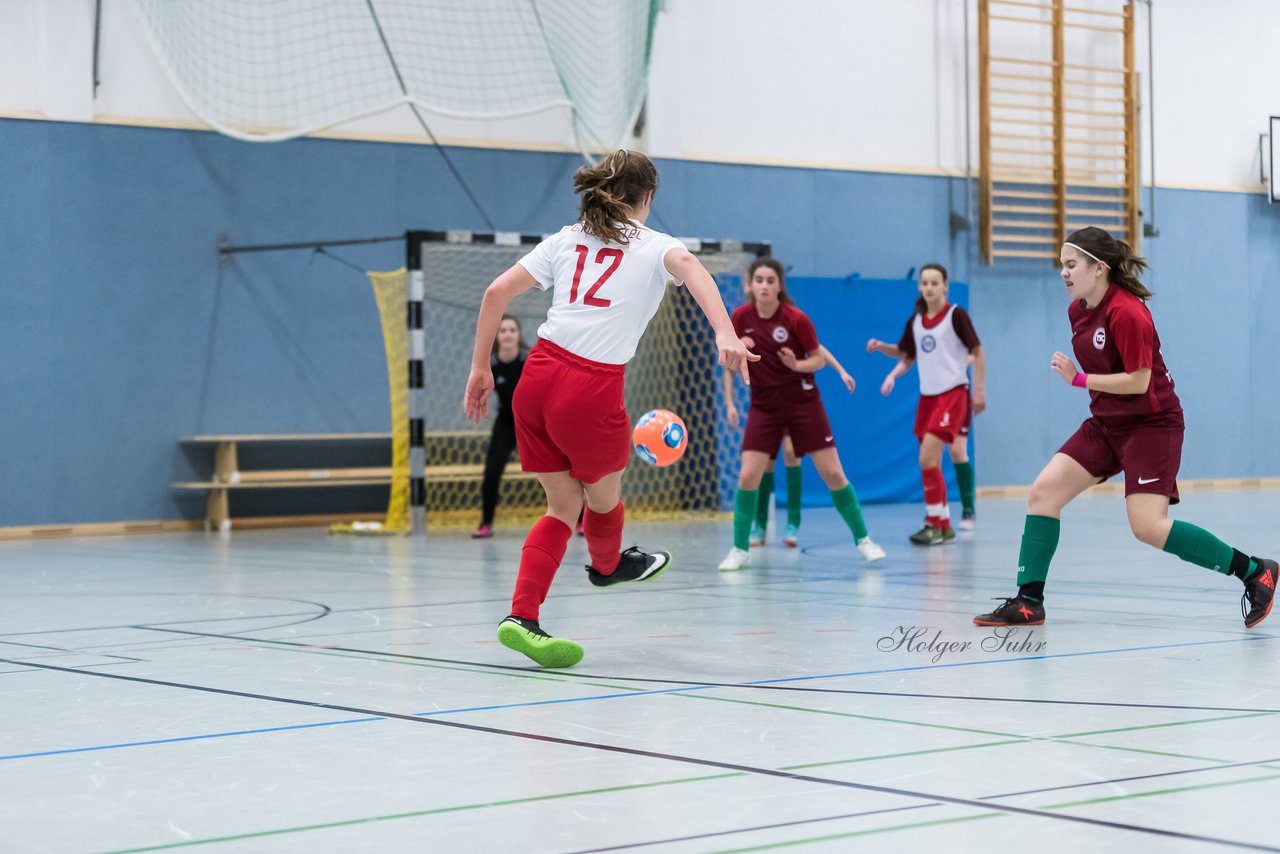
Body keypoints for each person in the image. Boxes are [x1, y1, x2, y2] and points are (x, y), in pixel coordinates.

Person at [464, 149, 755, 667]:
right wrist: (725, 332)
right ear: (647, 198)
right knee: (602, 501)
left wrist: (480, 369)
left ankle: (521, 617)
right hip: (589, 386)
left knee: (560, 506)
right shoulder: (654, 245)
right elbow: (689, 267)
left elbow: (494, 292)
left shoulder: (564, 237)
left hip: (536, 377)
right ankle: (606, 565)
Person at [973, 227, 1276, 628]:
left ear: (1098, 268)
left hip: (1152, 425)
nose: (1063, 273)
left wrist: (1078, 380)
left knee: (1147, 527)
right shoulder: (1078, 309)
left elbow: (1138, 381)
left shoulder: (1127, 312)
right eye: (1061, 265)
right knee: (1044, 493)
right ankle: (1029, 601)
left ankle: (1255, 571)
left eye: (1071, 264)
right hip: (1107, 423)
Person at [719, 258, 885, 572]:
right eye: (759, 280)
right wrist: (738, 349)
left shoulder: (796, 319)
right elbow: (729, 362)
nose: (765, 285)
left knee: (834, 474)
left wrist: (797, 366)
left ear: (779, 285)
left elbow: (818, 360)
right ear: (750, 285)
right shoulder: (740, 318)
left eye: (770, 280)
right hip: (764, 407)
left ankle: (864, 539)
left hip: (803, 405)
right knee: (747, 475)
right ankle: (740, 549)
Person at [868, 263, 985, 545]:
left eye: (935, 283)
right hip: (928, 397)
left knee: (929, 458)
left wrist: (979, 390)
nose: (929, 288)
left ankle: (934, 522)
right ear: (919, 287)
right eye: (925, 283)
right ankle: (943, 523)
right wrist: (884, 351)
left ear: (945, 286)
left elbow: (978, 352)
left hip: (953, 394)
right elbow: (906, 354)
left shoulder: (956, 316)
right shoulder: (916, 321)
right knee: (929, 462)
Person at [733, 349, 856, 549]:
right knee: (764, 464)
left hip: (795, 401)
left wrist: (841, 371)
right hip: (768, 404)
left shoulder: (795, 325)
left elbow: (818, 349)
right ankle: (760, 525)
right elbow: (732, 367)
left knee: (791, 454)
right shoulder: (753, 328)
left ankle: (793, 523)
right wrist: (730, 403)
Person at [472, 315, 526, 539]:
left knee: (560, 467)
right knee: (492, 469)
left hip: (532, 421)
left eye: (512, 330)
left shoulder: (530, 361)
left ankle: (580, 521)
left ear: (518, 335)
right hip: (506, 420)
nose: (507, 334)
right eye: (503, 330)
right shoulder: (490, 365)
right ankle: (486, 523)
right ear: (497, 337)